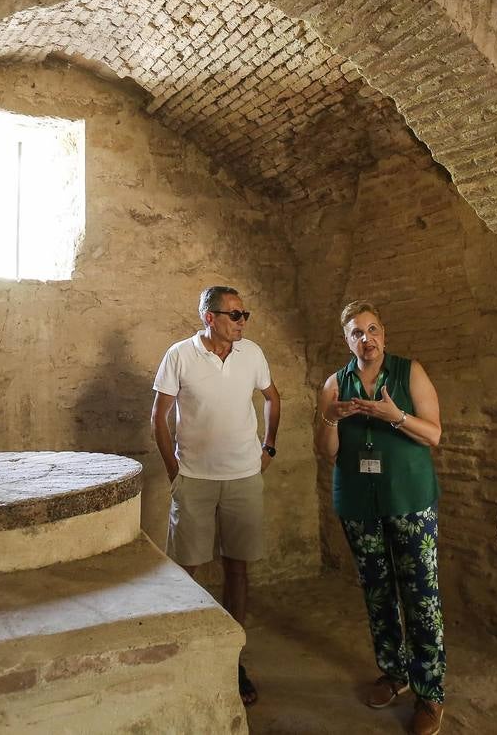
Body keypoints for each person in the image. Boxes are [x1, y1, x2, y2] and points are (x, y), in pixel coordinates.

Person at [314, 301, 446, 735]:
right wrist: (330, 418)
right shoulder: (335, 383)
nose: (365, 339)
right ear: (346, 339)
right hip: (358, 502)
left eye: (372, 330)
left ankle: (430, 692)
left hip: (409, 499)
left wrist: (396, 416)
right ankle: (394, 673)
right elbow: (327, 452)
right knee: (377, 592)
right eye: (356, 333)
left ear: (384, 335)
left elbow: (434, 434)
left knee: (420, 597)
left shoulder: (410, 373)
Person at [151, 285, 280, 707]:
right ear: (210, 317)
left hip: (244, 476)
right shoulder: (180, 355)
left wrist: (269, 447)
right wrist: (175, 470)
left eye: (245, 314)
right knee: (187, 568)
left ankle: (233, 659)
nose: (242, 322)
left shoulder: (252, 354)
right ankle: (189, 653)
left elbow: (272, 398)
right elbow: (160, 416)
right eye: (234, 315)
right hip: (195, 479)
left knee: (238, 567)